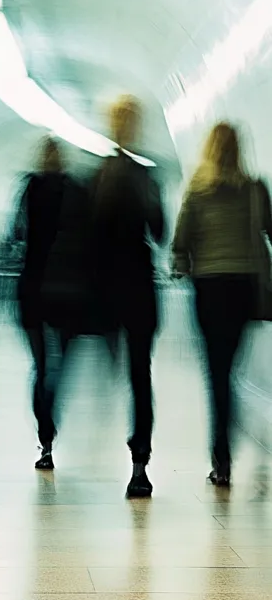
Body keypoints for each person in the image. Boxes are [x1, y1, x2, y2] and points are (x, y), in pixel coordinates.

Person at [173, 122, 272, 487]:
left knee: (216, 373)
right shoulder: (255, 189)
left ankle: (222, 459)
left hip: (211, 288)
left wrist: (183, 265)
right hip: (245, 288)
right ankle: (232, 422)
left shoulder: (198, 191)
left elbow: (180, 241)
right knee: (231, 367)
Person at [93, 96, 164, 498]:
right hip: (139, 284)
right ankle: (140, 463)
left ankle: (51, 442)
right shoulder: (145, 176)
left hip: (105, 287)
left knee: (114, 366)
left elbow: (89, 234)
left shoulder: (97, 176)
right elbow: (159, 230)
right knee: (141, 374)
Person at [15, 137, 96, 470]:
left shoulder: (29, 189)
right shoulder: (77, 190)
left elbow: (17, 234)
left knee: (40, 364)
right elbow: (91, 241)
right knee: (61, 364)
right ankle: (51, 407)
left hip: (33, 288)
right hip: (69, 289)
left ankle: (45, 437)